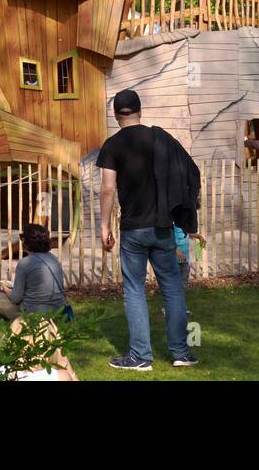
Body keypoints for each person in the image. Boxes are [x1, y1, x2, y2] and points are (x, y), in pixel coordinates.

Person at [99, 88, 199, 371]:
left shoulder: (112, 145)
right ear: (140, 111)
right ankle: (181, 353)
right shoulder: (161, 139)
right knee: (172, 288)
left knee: (134, 289)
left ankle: (140, 357)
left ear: (117, 115)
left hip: (133, 229)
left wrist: (104, 225)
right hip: (162, 227)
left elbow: (107, 189)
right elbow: (187, 170)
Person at [0, 223, 68, 321]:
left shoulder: (25, 263)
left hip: (34, 313)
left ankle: (18, 317)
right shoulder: (54, 259)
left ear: (26, 242)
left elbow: (15, 298)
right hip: (58, 311)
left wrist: (5, 289)